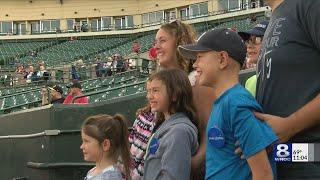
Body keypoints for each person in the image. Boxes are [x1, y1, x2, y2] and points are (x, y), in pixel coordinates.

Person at [179, 28, 278, 179]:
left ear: (222, 59)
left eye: (200, 57)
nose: (194, 64)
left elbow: (264, 174)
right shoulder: (226, 101)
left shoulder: (236, 104)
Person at [129, 20, 212, 179]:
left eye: (163, 40)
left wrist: (190, 165)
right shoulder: (161, 84)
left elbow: (210, 134)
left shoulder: (197, 83)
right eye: (155, 42)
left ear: (179, 43)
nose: (156, 47)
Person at [254, 0, 320, 179]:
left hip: (311, 156)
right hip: (282, 156)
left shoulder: (309, 5)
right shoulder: (276, 14)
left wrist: (290, 125)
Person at [143, 69, 199, 180]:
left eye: (155, 90)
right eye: (148, 91)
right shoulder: (168, 126)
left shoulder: (179, 132)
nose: (149, 96)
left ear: (174, 95)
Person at [81, 114, 131, 180]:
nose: (82, 146)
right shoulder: (94, 171)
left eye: (86, 141)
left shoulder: (109, 177)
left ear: (105, 145)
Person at [238, 21, 269, 96]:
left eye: (256, 40)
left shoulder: (284, 76)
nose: (249, 46)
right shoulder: (250, 82)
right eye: (248, 41)